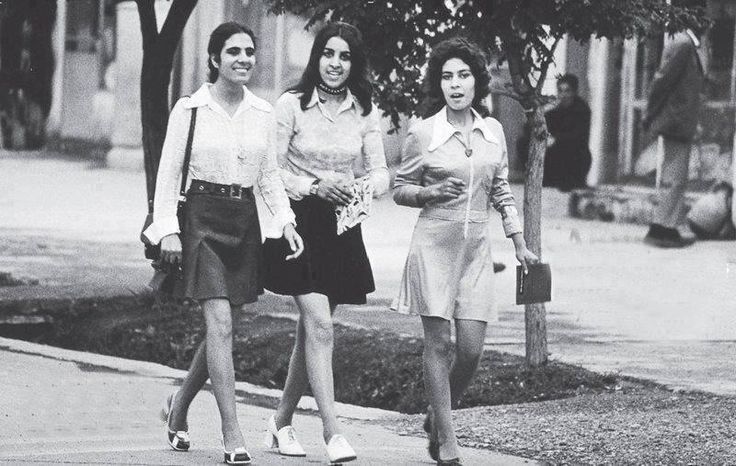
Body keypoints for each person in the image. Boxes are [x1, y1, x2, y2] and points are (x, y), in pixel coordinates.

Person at [142, 22, 303, 465]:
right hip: (201, 220)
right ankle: (233, 436)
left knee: (222, 327)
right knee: (220, 326)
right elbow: (168, 175)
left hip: (244, 222)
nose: (243, 59)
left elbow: (269, 175)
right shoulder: (189, 109)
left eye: (249, 51)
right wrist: (167, 228)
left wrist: (285, 221)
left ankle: (178, 408)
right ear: (214, 59)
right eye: (233, 51)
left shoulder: (262, 112)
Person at [391, 37, 538, 465]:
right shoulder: (424, 131)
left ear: (477, 81)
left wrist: (520, 242)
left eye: (463, 75)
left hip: (476, 248)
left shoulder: (492, 131)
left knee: (471, 350)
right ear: (439, 84)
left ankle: (437, 415)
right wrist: (432, 192)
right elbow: (400, 189)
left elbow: (501, 190)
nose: (456, 84)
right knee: (438, 344)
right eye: (447, 77)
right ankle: (448, 443)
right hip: (434, 243)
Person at [260, 22, 389, 464]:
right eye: (328, 54)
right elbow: (269, 172)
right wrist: (315, 186)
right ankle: (334, 433)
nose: (335, 64)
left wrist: (359, 189)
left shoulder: (365, 110)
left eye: (345, 56)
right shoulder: (290, 105)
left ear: (355, 63)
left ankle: (279, 425)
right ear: (316, 57)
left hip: (341, 225)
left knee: (312, 330)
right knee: (320, 325)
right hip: (297, 222)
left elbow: (381, 172)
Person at [643, 27, 704, 248]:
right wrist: (649, 114)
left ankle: (667, 225)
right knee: (673, 177)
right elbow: (662, 81)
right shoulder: (683, 44)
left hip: (681, 121)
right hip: (676, 122)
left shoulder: (686, 43)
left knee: (676, 176)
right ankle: (661, 228)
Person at [543, 73, 592, 191]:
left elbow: (577, 135)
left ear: (574, 92)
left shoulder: (582, 110)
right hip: (557, 155)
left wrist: (555, 139)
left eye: (567, 91)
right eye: (560, 91)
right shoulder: (557, 110)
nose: (563, 95)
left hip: (575, 158)